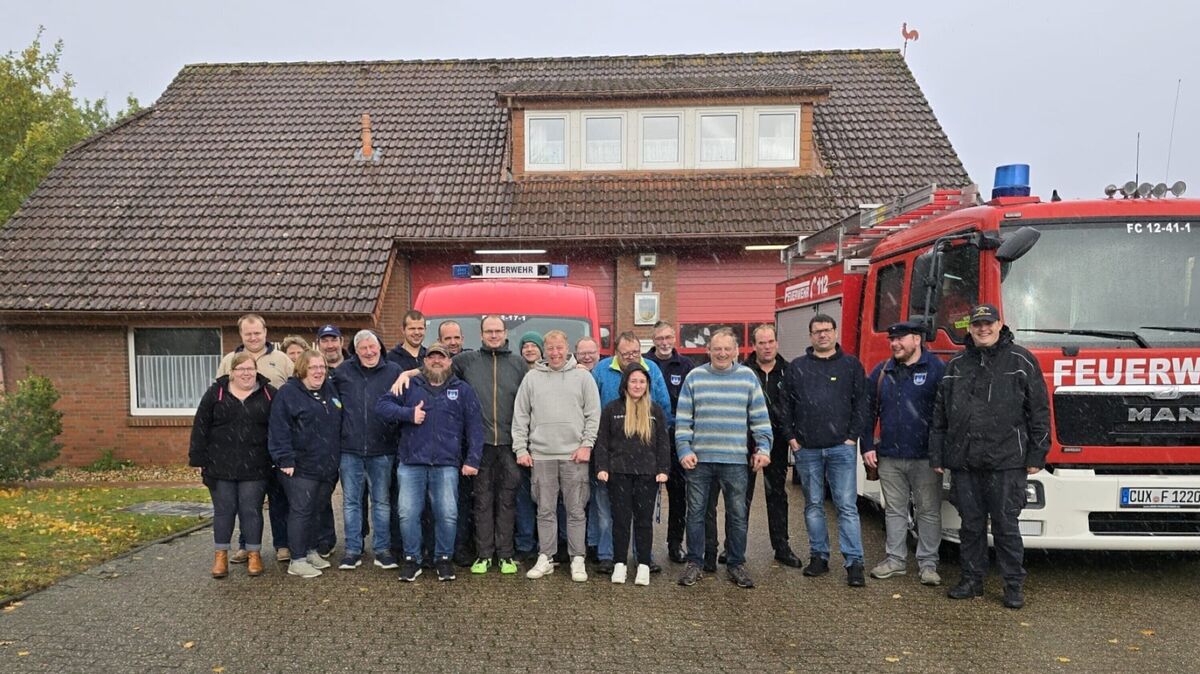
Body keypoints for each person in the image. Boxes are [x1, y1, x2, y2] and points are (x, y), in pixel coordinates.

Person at [930, 304, 1050, 609]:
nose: (983, 329)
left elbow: (1038, 412)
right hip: (965, 461)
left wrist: (1038, 453)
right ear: (969, 328)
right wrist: (938, 455)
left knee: (1006, 526)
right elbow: (940, 416)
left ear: (1000, 325)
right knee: (970, 525)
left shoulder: (1022, 360)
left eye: (988, 323)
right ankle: (971, 581)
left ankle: (1013, 586)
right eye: (977, 324)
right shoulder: (957, 364)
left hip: (1006, 461)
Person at [376, 343, 483, 582]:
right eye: (431, 357)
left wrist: (472, 459)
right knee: (407, 513)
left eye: (441, 358)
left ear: (449, 362)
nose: (436, 361)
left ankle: (443, 559)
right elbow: (381, 407)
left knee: (447, 514)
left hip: (446, 464)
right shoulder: (409, 385)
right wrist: (408, 414)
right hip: (411, 463)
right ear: (424, 361)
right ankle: (412, 559)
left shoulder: (462, 390)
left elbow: (475, 426)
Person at [675, 328, 772, 589]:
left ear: (736, 351)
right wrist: (684, 450)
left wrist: (764, 448)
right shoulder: (694, 378)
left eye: (727, 349)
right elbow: (683, 420)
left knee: (737, 514)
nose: (722, 353)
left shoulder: (747, 378)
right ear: (708, 350)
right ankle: (695, 563)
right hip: (699, 462)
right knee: (695, 513)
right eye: (717, 348)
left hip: (735, 462)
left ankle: (736, 563)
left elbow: (760, 419)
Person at [786, 314, 870, 587]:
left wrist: (851, 438)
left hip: (840, 449)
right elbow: (784, 405)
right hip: (807, 449)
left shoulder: (851, 365)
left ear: (835, 332)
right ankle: (819, 557)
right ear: (810, 336)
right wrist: (792, 438)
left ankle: (854, 562)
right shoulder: (798, 367)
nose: (822, 335)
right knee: (813, 506)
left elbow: (862, 404)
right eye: (817, 331)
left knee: (846, 506)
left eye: (827, 330)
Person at [863, 320, 947, 586]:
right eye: (892, 339)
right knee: (895, 511)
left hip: (925, 458)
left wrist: (940, 453)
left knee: (928, 511)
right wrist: (867, 446)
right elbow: (867, 411)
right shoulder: (882, 371)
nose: (894, 344)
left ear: (917, 340)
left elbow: (945, 416)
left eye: (900, 339)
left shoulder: (937, 370)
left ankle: (928, 564)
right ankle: (895, 560)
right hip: (889, 456)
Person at [512, 330, 601, 582]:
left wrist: (587, 445)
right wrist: (521, 448)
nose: (555, 353)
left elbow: (593, 414)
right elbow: (521, 416)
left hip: (574, 455)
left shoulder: (582, 377)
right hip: (541, 456)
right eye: (550, 348)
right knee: (545, 510)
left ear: (567, 348)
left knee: (575, 510)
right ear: (544, 350)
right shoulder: (532, 378)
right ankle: (546, 557)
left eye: (559, 347)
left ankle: (577, 558)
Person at [590, 332, 673, 575]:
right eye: (625, 353)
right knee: (616, 518)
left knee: (644, 519)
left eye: (634, 352)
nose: (630, 356)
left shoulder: (654, 401)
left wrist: (663, 469)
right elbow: (602, 439)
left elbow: (663, 440)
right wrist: (601, 466)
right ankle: (614, 560)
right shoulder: (610, 403)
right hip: (618, 471)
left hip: (647, 472)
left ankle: (643, 560)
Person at [214, 314, 294, 565]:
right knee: (245, 501)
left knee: (279, 496)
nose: (253, 337)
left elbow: (293, 393)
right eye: (248, 333)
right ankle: (245, 546)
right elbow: (219, 396)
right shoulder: (229, 361)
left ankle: (282, 544)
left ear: (265, 332)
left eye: (257, 332)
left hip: (275, 439)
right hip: (242, 445)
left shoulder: (281, 359)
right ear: (241, 335)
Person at [452, 316, 529, 575]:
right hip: (480, 445)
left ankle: (505, 555)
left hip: (510, 444)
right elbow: (435, 369)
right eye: (489, 331)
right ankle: (484, 554)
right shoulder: (467, 361)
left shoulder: (519, 364)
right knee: (482, 502)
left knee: (507, 501)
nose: (494, 335)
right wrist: (407, 373)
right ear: (481, 334)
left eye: (498, 331)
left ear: (505, 333)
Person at [189, 352, 276, 578]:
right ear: (232, 372)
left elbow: (279, 427)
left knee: (251, 510)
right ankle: (220, 557)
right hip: (220, 465)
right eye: (241, 369)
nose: (246, 373)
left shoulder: (268, 394)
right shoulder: (215, 393)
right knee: (224, 511)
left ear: (256, 370)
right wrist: (197, 458)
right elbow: (201, 426)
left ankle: (254, 555)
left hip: (256, 465)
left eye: (250, 369)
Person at [332, 330, 403, 571]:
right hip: (349, 449)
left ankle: (382, 550)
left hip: (382, 448)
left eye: (373, 347)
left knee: (381, 502)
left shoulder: (393, 372)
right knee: (351, 502)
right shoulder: (342, 373)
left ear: (380, 348)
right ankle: (353, 549)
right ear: (356, 350)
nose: (369, 352)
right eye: (363, 348)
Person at [268, 350, 343, 579]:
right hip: (300, 467)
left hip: (326, 466)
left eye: (322, 367)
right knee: (301, 511)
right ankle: (297, 559)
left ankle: (310, 551)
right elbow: (278, 428)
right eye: (313, 367)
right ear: (302, 369)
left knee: (317, 510)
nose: (319, 371)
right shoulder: (288, 393)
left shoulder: (328, 389)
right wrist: (285, 458)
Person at [742, 325, 802, 568]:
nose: (766, 347)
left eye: (770, 342)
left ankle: (781, 546)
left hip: (777, 442)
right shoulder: (743, 372)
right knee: (740, 496)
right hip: (745, 441)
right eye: (761, 343)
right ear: (754, 346)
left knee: (776, 494)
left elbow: (797, 405)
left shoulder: (789, 372)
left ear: (776, 343)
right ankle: (734, 547)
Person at [643, 321, 695, 564]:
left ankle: (675, 544)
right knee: (645, 497)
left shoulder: (686, 366)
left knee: (678, 494)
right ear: (653, 339)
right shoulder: (643, 364)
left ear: (674, 338)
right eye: (659, 338)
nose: (664, 342)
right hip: (646, 439)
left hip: (675, 439)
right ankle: (644, 548)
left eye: (667, 337)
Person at [513, 329, 544, 556]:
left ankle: (547, 544)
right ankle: (525, 543)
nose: (530, 349)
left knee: (546, 500)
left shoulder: (549, 373)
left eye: (534, 345)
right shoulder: (516, 371)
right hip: (523, 445)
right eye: (525, 346)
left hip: (545, 447)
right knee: (523, 498)